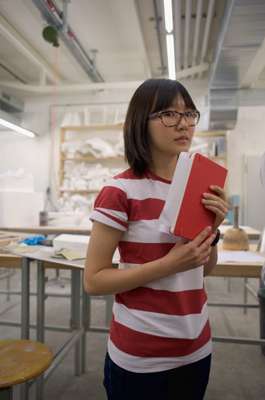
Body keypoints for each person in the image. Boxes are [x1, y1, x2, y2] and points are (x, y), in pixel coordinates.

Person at [84, 78, 229, 400]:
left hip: (196, 346)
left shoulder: (199, 187)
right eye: (168, 113)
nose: (183, 124)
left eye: (189, 114)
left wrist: (213, 232)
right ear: (140, 122)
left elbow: (202, 270)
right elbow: (93, 281)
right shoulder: (120, 191)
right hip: (142, 354)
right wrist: (168, 264)